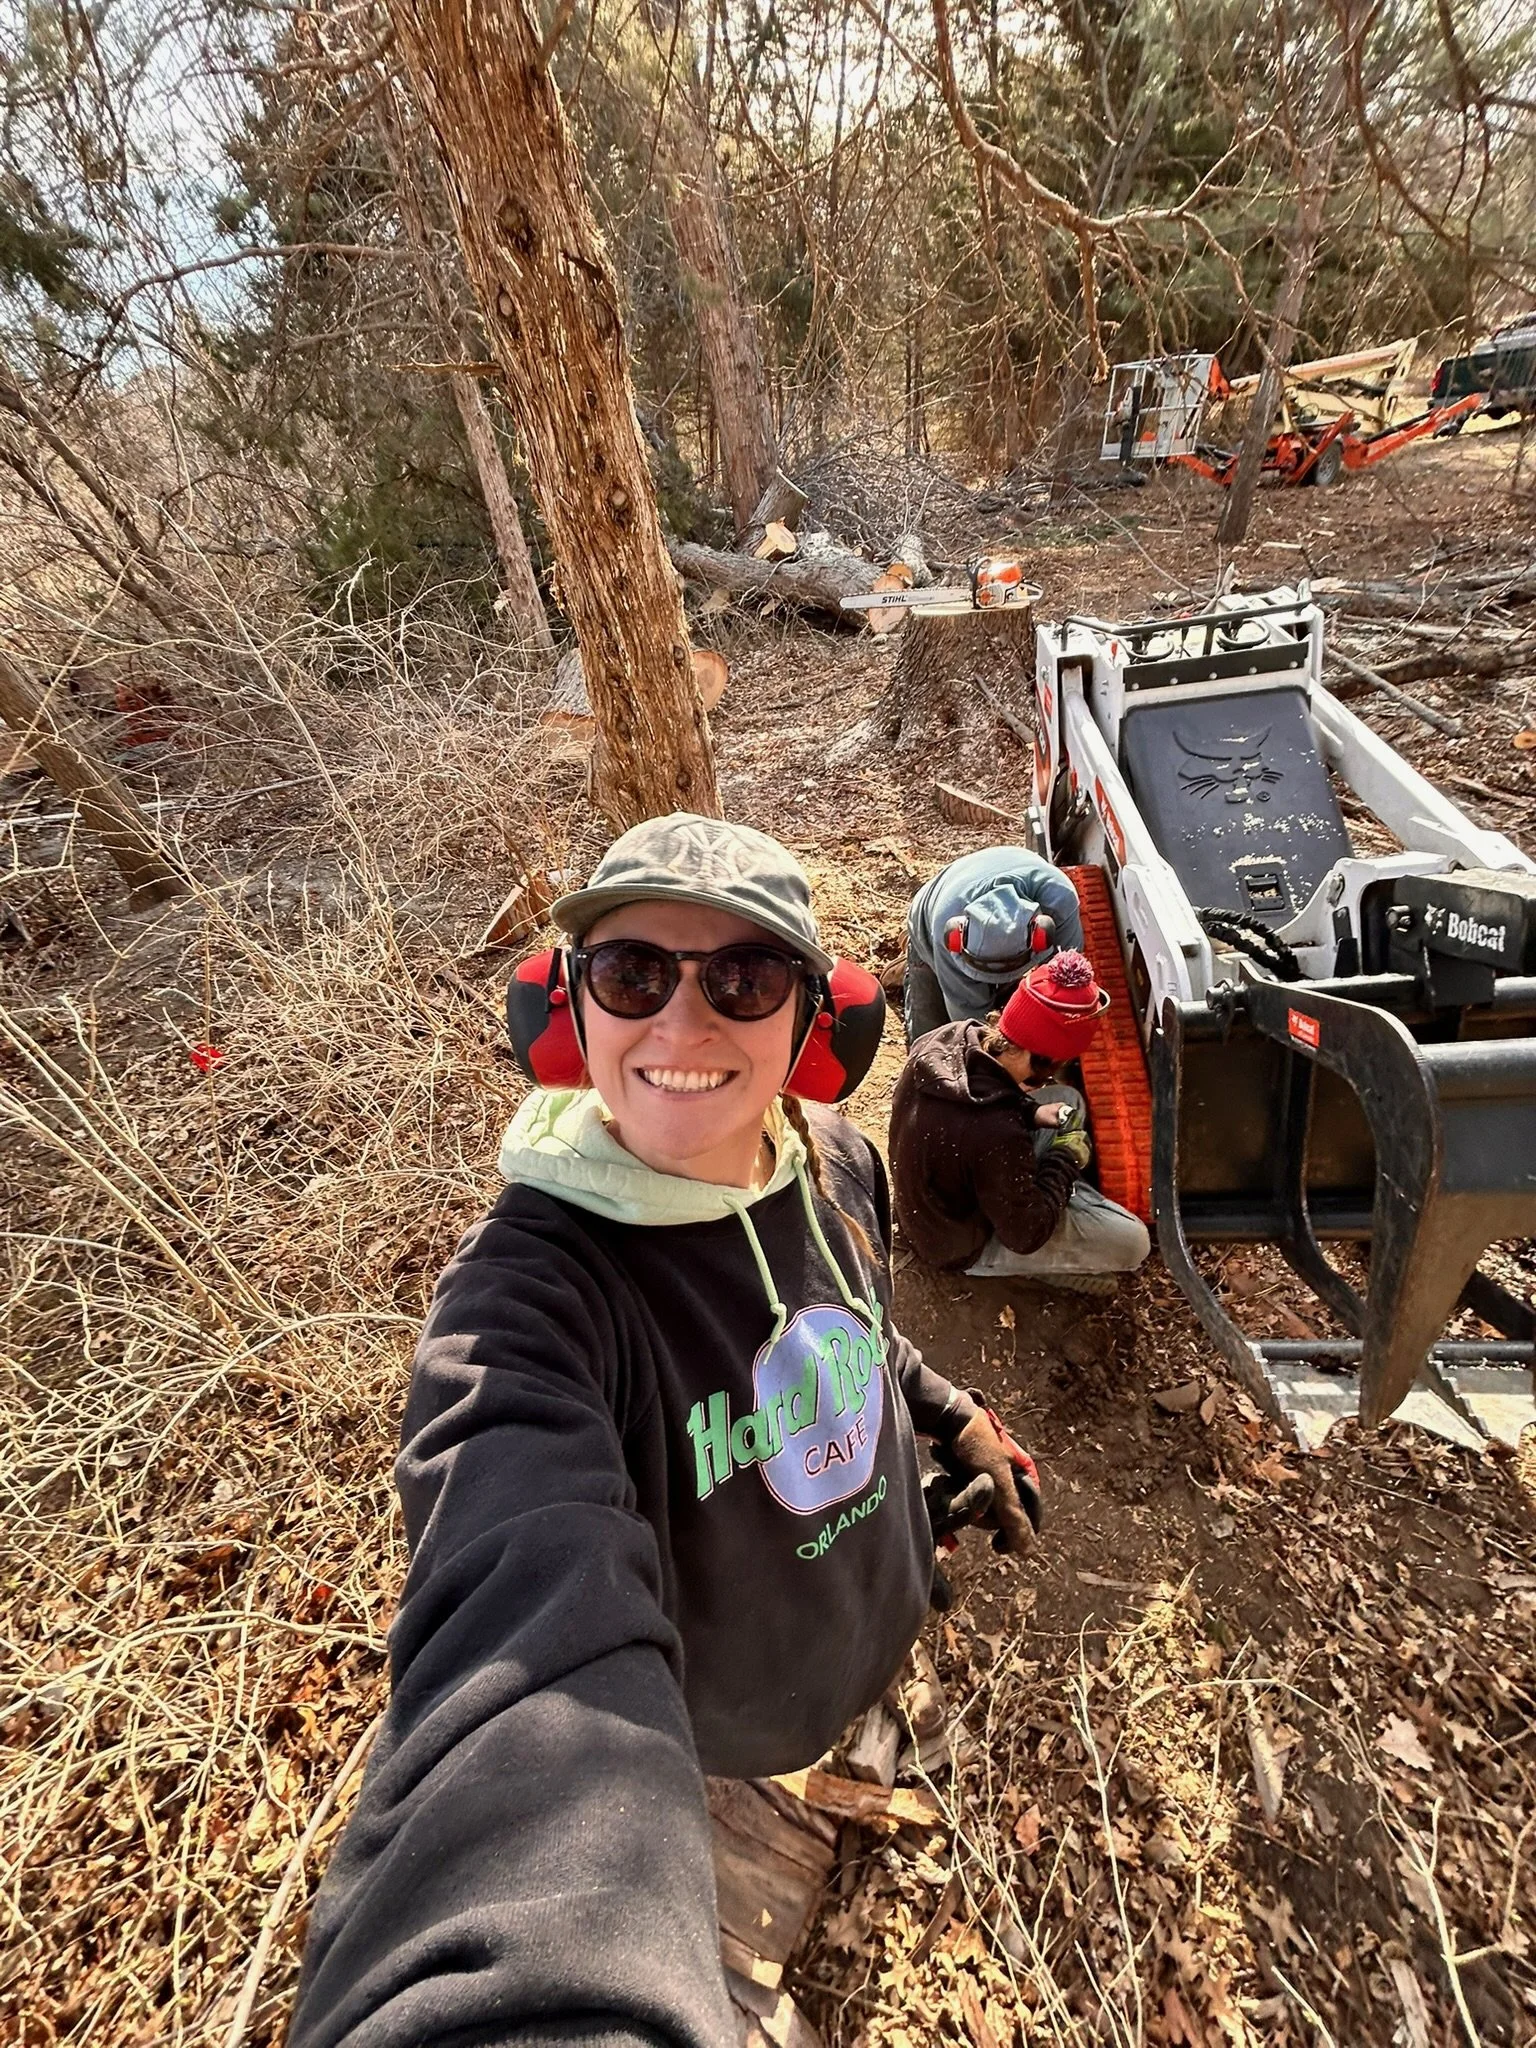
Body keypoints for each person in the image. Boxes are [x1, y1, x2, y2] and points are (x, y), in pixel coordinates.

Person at [288, 813, 1036, 2048]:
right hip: (727, 1735)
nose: (683, 1026)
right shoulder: (529, 1307)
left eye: (742, 977)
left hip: (873, 1625)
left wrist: (946, 1413)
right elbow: (525, 1653)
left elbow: (854, 1317)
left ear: (814, 1023)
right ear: (570, 1012)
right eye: (634, 972)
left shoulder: (834, 1158)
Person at [889, 948, 1150, 1295]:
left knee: (1067, 1102)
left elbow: (983, 1105)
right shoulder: (996, 1133)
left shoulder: (951, 1036)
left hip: (930, 1206)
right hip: (956, 1244)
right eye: (1055, 1065)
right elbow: (1025, 1235)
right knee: (1134, 1243)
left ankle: (1055, 1197)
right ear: (1036, 1058)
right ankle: (1037, 1264)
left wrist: (1031, 1111)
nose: (1055, 1073)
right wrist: (1064, 1160)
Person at [904, 845, 1085, 1045]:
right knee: (934, 1038)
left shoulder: (1060, 900)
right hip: (927, 924)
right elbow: (968, 1021)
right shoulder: (945, 930)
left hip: (994, 873)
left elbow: (1065, 982)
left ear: (1040, 934)